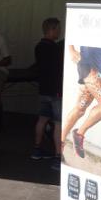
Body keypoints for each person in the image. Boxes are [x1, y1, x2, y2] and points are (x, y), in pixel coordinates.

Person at [61, 45, 101, 158]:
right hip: (89, 66)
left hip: (97, 70)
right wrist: (71, 49)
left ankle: (60, 144)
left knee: (80, 109)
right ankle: (79, 134)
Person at [31, 18, 62, 169]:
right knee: (58, 124)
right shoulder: (55, 49)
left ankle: (37, 150)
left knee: (42, 119)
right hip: (56, 91)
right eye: (58, 29)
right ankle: (58, 157)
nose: (60, 32)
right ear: (52, 29)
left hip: (43, 89)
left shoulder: (39, 46)